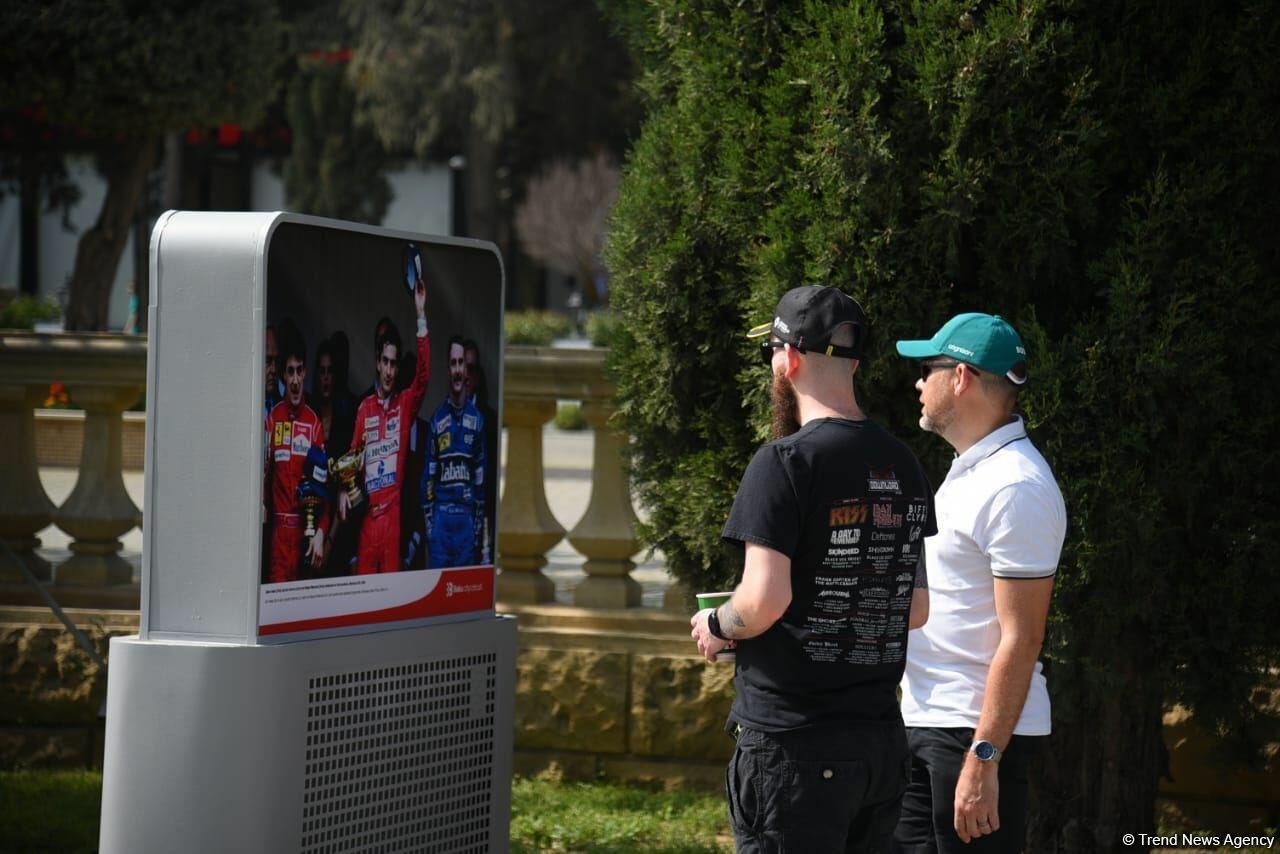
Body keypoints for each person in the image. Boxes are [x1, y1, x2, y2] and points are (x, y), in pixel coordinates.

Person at [690, 285, 935, 853]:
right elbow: (915, 607)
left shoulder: (782, 462)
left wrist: (720, 624)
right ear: (854, 364)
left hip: (794, 747)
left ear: (790, 359)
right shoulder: (904, 463)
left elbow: (763, 601)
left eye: (772, 353)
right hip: (879, 744)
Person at [893, 314, 1066, 854]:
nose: (919, 383)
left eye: (929, 368)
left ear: (962, 377)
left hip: (970, 741)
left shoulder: (1016, 486)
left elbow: (1023, 637)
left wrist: (983, 757)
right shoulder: (972, 469)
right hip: (928, 725)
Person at [339, 269, 430, 573]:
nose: (389, 371)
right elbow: (351, 459)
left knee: (390, 596)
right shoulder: (364, 409)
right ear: (377, 363)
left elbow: (423, 377)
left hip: (393, 521)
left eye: (394, 364)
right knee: (365, 595)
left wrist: (420, 315)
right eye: (385, 363)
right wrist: (343, 490)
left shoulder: (404, 405)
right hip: (368, 522)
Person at [264, 327, 329, 583]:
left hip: (305, 539)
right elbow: (262, 484)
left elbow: (324, 492)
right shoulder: (271, 421)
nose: (294, 380)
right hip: (278, 541)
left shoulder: (314, 425)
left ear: (305, 373)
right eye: (289, 371)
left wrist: (320, 533)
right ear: (283, 374)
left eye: (298, 371)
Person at [421, 335, 488, 568]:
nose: (458, 370)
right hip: (441, 524)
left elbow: (481, 485)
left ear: (466, 371)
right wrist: (431, 531)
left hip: (466, 524)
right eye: (453, 363)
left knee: (463, 590)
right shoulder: (436, 421)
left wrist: (476, 532)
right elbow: (427, 481)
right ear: (448, 370)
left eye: (461, 363)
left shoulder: (477, 421)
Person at [463, 338, 497, 562]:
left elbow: (492, 479)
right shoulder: (440, 417)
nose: (466, 375)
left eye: (471, 368)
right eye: (461, 366)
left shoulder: (490, 420)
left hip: (480, 517)